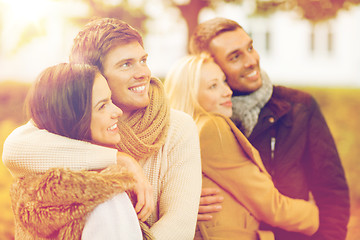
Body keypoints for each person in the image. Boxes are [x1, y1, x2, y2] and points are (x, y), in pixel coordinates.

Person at [2, 18, 202, 240]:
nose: (144, 73)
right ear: (92, 75)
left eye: (143, 60)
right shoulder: (71, 126)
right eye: (126, 64)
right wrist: (119, 159)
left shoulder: (178, 127)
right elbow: (14, 150)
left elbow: (179, 224)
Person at [188, 17, 350, 240]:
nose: (251, 60)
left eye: (250, 48)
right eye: (235, 57)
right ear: (212, 64)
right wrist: (184, 204)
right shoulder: (200, 122)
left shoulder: (299, 107)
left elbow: (332, 192)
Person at [164, 53, 319, 240]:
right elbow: (270, 205)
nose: (227, 91)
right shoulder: (212, 127)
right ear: (190, 94)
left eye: (223, 82)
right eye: (213, 86)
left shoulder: (185, 131)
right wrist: (314, 215)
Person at [6, 63, 146, 239]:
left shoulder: (31, 196)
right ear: (72, 118)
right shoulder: (106, 198)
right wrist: (119, 159)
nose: (117, 111)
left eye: (110, 100)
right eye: (102, 106)